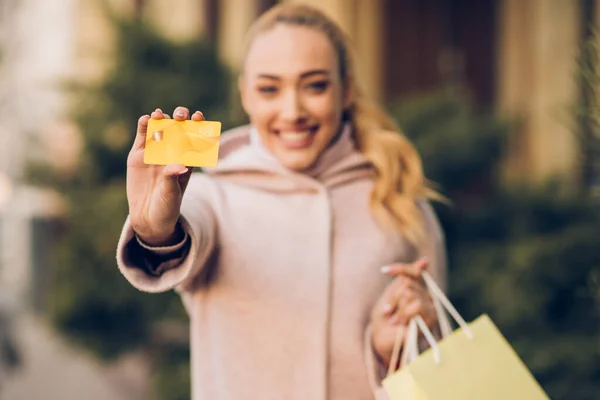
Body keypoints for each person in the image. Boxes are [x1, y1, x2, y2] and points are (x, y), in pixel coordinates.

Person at [117, 4, 447, 400]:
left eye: (315, 86)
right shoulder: (211, 194)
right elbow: (178, 239)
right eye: (269, 89)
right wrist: (153, 230)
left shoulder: (400, 200)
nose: (292, 112)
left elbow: (436, 369)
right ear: (245, 95)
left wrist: (388, 351)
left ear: (347, 91)